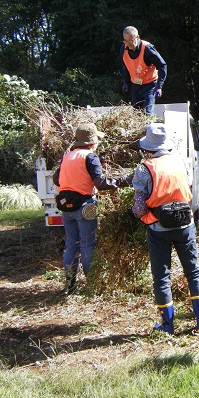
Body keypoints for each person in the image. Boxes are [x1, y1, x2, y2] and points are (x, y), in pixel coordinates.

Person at [131, 123, 199, 334]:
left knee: (161, 276)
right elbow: (189, 190)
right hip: (185, 224)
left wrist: (134, 214)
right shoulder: (180, 162)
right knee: (193, 270)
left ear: (148, 148)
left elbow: (140, 208)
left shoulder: (144, 168)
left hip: (158, 228)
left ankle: (167, 326)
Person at [53, 123, 129, 294]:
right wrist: (122, 181)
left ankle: (70, 286)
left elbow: (57, 180)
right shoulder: (90, 157)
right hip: (86, 205)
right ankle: (92, 286)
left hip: (66, 207)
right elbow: (100, 184)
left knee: (71, 245)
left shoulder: (67, 157)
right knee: (88, 244)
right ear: (93, 142)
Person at [120, 25, 167, 115]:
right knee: (136, 114)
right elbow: (125, 66)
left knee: (147, 113)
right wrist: (126, 82)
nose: (128, 44)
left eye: (130, 40)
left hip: (150, 85)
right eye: (125, 41)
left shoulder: (147, 49)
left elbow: (162, 65)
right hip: (136, 85)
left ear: (137, 37)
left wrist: (159, 86)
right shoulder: (123, 49)